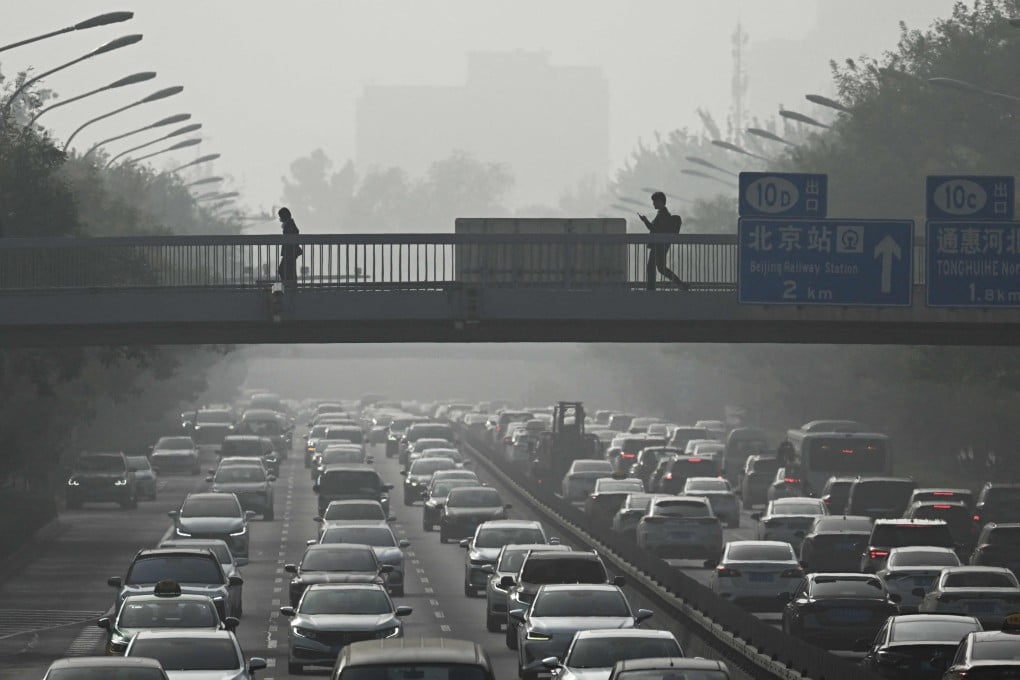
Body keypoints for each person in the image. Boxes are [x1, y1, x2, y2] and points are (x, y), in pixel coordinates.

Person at [638, 191, 688, 291]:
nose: (653, 203)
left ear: (660, 201)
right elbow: (656, 229)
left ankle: (651, 290)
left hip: (658, 245)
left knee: (654, 268)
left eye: (655, 201)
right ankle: (680, 284)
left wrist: (646, 221)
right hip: (659, 245)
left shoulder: (663, 215)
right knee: (659, 268)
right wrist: (646, 221)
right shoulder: (662, 214)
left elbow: (656, 230)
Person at [277, 207, 302, 285]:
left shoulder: (289, 225)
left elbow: (289, 239)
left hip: (289, 253)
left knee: (283, 270)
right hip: (291, 253)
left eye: (280, 216)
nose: (280, 219)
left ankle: (289, 286)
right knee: (289, 271)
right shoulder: (290, 224)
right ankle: (291, 286)